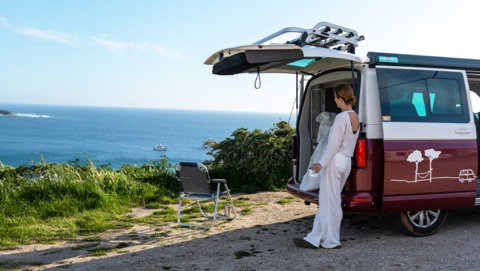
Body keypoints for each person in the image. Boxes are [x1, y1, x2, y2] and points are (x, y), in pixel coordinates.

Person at [293, 83, 360, 249]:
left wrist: (321, 163)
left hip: (335, 161)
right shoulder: (355, 118)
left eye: (336, 97)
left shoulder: (341, 118)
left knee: (329, 202)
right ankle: (316, 238)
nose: (335, 100)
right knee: (331, 201)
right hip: (346, 162)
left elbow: (333, 145)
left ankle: (330, 240)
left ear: (341, 97)